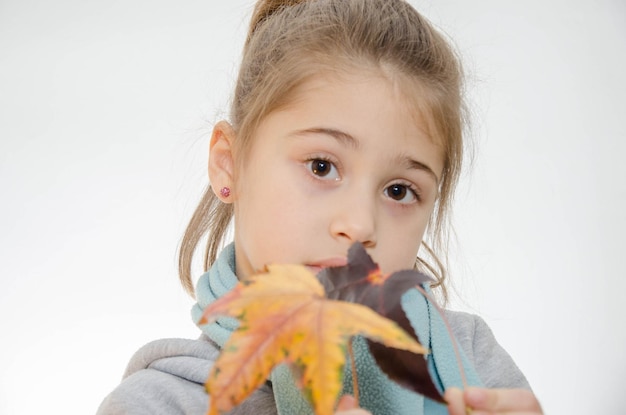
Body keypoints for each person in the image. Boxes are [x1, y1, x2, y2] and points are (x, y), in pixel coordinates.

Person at [97, 0, 543, 414]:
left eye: (399, 191)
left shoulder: (474, 362)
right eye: (321, 165)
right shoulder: (159, 404)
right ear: (228, 165)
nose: (360, 224)